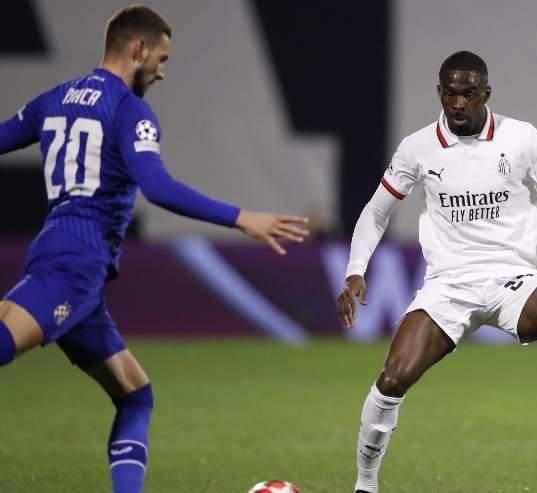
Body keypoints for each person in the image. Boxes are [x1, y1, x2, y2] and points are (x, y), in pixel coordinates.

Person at [0, 6, 308, 493]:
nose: (163, 71)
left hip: (68, 257)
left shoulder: (53, 99)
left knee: (136, 395)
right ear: (137, 49)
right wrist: (241, 217)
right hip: (75, 261)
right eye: (161, 58)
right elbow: (158, 188)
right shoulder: (129, 111)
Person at [337, 51, 537, 493]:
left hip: (513, 278)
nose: (457, 103)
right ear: (439, 93)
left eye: (468, 94)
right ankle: (365, 484)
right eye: (449, 93)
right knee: (393, 378)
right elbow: (377, 212)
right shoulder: (417, 148)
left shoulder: (521, 138)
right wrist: (356, 269)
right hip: (448, 285)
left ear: (485, 94)